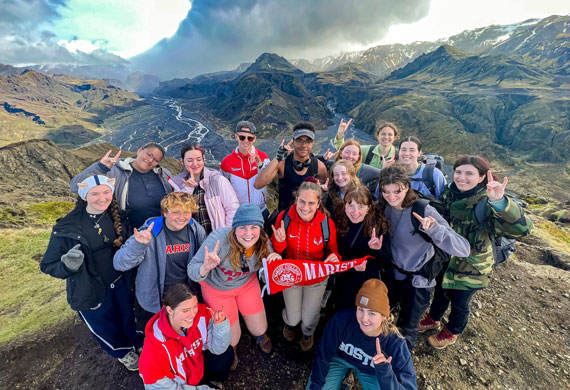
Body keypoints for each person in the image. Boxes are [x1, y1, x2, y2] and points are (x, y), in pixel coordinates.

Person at [419, 156, 533, 349]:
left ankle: (453, 330)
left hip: (472, 264)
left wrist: (500, 203)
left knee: (460, 301)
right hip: (447, 257)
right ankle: (434, 318)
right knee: (441, 290)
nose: (462, 178)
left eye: (469, 173)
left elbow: (523, 229)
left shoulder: (487, 201)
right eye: (458, 172)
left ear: (481, 178)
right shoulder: (449, 192)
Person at [41, 175, 144, 371]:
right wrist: (68, 266)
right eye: (94, 193)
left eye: (106, 192)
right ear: (84, 196)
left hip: (120, 282)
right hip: (90, 288)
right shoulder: (67, 228)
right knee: (104, 324)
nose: (102, 198)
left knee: (127, 315)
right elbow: (48, 265)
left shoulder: (117, 217)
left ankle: (134, 340)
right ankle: (121, 352)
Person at [378, 164, 470, 351]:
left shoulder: (423, 210)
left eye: (397, 191)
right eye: (386, 191)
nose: (392, 196)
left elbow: (463, 248)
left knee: (408, 326)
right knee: (386, 314)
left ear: (407, 186)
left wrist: (435, 230)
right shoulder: (384, 207)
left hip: (418, 283)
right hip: (394, 276)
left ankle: (401, 364)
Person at [188, 204, 280, 369]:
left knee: (260, 328)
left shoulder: (263, 243)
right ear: (235, 228)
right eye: (242, 227)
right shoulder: (219, 239)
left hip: (246, 284)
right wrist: (205, 268)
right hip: (217, 289)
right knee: (231, 338)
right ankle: (233, 350)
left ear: (260, 229)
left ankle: (260, 336)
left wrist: (272, 269)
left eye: (254, 227)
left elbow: (267, 279)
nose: (248, 233)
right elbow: (192, 270)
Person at [306, 279, 417, 390]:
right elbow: (324, 354)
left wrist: (385, 373)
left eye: (372, 313)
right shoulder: (341, 321)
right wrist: (316, 385)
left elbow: (410, 387)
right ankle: (345, 375)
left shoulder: (395, 343)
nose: (364, 319)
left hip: (373, 372)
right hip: (339, 360)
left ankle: (350, 376)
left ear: (384, 316)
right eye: (361, 309)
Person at [271, 179, 340, 351]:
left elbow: (334, 251)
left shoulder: (326, 223)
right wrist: (279, 242)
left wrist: (334, 258)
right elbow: (277, 252)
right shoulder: (284, 218)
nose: (305, 207)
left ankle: (308, 333)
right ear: (296, 200)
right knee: (293, 317)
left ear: (318, 204)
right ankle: (290, 325)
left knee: (309, 318)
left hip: (316, 278)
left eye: (311, 203)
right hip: (291, 275)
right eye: (302, 201)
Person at [114, 191, 207, 320]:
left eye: (186, 212)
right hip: (157, 299)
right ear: (165, 212)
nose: (182, 217)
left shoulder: (195, 230)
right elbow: (119, 263)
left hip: (186, 297)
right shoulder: (149, 232)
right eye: (176, 212)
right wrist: (138, 245)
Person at [139, 283, 233, 390]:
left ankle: (210, 382)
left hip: (196, 368)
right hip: (180, 384)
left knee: (226, 355)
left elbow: (218, 348)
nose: (192, 314)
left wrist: (220, 326)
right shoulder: (153, 353)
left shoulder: (201, 314)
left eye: (194, 306)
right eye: (185, 310)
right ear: (170, 310)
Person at [70, 143, 172, 233]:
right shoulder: (115, 170)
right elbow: (75, 186)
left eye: (156, 160)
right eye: (148, 154)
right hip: (130, 233)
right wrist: (99, 168)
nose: (150, 160)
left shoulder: (163, 174)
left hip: (161, 233)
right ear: (139, 150)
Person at [331, 185, 391, 312]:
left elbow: (387, 261)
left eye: (361, 206)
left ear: (369, 208)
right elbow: (335, 251)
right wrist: (351, 263)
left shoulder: (378, 224)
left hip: (369, 278)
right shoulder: (338, 219)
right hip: (346, 275)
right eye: (350, 205)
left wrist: (377, 250)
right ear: (344, 205)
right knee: (344, 309)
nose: (355, 212)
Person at [254, 122, 328, 213]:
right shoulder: (283, 163)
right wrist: (277, 158)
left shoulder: (319, 167)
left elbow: (321, 198)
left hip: (307, 217)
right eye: (299, 140)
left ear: (313, 143)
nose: (303, 145)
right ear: (293, 142)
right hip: (284, 218)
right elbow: (258, 184)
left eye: (308, 141)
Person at [170, 144, 240, 234]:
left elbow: (233, 209)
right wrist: (188, 189)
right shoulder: (178, 184)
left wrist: (226, 234)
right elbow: (178, 213)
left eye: (199, 159)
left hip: (216, 238)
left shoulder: (217, 180)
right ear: (182, 161)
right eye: (190, 160)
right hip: (191, 240)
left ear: (203, 160)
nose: (195, 164)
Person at [220, 121, 271, 220]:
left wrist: (260, 165)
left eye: (250, 138)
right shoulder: (227, 162)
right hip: (238, 214)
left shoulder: (263, 157)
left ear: (254, 139)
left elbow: (269, 181)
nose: (246, 141)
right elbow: (223, 187)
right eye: (242, 137)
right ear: (236, 137)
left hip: (261, 211)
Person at [334, 119, 399, 170]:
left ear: (394, 137)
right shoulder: (367, 150)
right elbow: (344, 150)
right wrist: (340, 134)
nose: (386, 137)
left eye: (390, 135)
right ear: (377, 136)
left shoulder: (398, 155)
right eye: (383, 134)